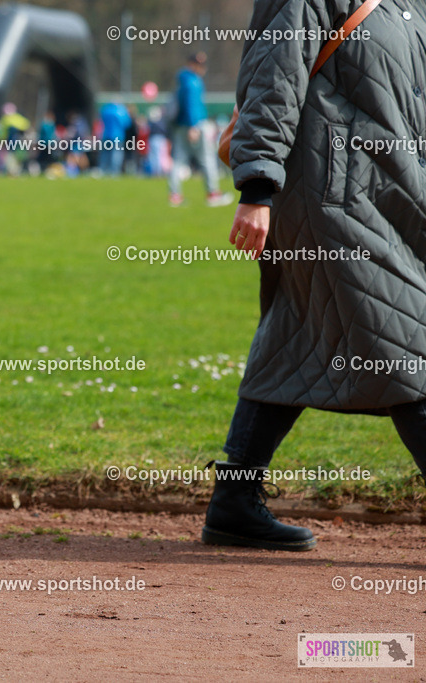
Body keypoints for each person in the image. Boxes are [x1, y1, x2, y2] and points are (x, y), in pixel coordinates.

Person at [203, 0, 426, 551]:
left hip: (395, 199)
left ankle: (235, 501)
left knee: (293, 335)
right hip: (330, 198)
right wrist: (257, 188)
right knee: (404, 345)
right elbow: (274, 73)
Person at [168, 52, 232, 207]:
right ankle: (213, 193)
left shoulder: (183, 79)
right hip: (194, 125)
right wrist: (193, 126)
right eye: (199, 64)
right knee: (206, 159)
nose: (202, 67)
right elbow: (191, 105)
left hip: (182, 125)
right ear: (191, 64)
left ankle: (174, 195)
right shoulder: (192, 81)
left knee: (179, 160)